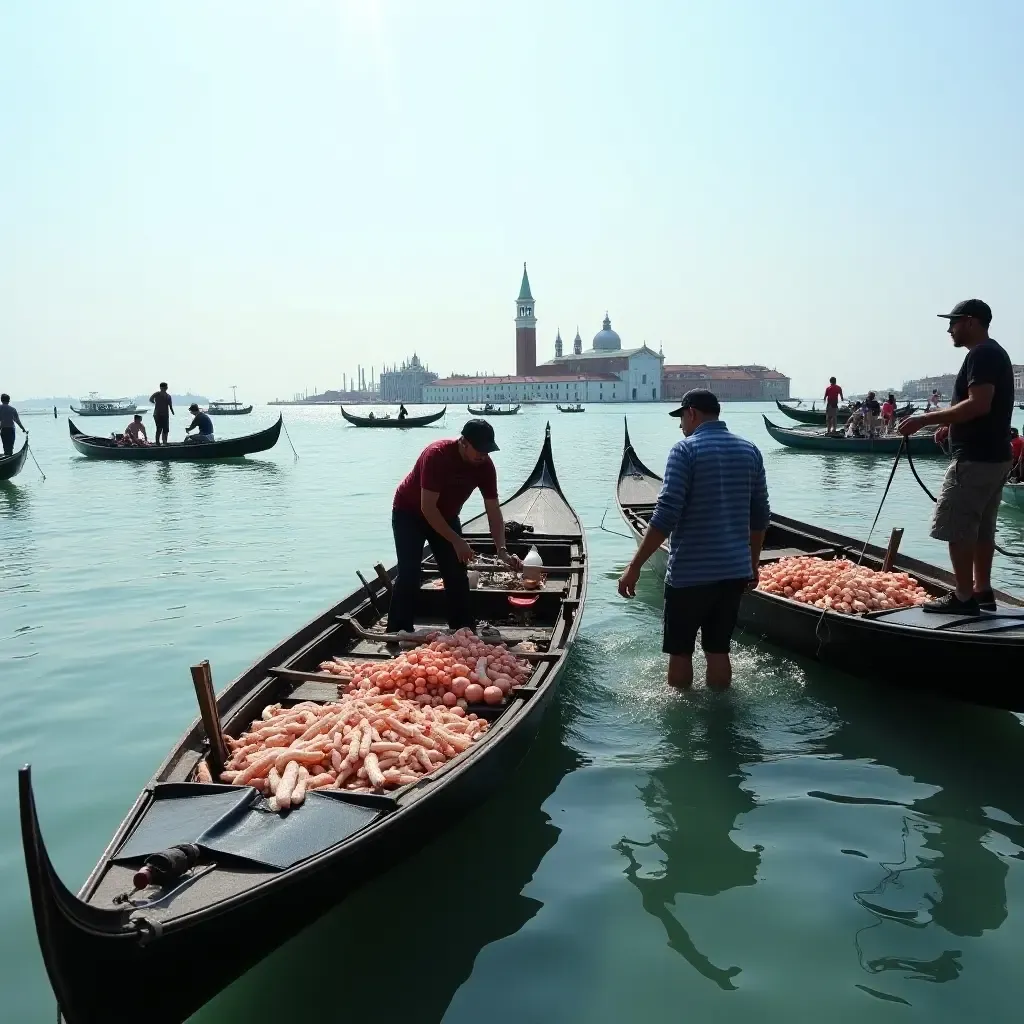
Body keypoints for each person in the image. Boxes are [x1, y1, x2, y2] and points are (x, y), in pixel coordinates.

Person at [617, 389, 770, 691]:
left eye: (681, 419)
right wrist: (752, 565)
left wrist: (634, 566)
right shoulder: (750, 450)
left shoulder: (684, 451)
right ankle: (720, 714)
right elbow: (760, 515)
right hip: (733, 572)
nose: (680, 427)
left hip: (690, 574)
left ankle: (681, 717)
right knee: (718, 650)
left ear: (692, 413)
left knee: (680, 651)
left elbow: (665, 515)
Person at [898, 299, 1014, 614]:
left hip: (976, 459)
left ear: (972, 322)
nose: (949, 328)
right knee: (982, 528)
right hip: (995, 455)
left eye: (954, 322)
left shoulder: (982, 354)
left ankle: (963, 598)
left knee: (958, 525)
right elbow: (982, 409)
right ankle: (982, 591)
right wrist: (950, 425)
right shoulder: (993, 353)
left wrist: (925, 419)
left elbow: (979, 404)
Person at [387, 419, 522, 634]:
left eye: (488, 451)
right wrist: (458, 541)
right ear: (463, 442)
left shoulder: (485, 466)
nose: (483, 456)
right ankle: (397, 631)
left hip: (447, 515)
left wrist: (502, 550)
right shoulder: (437, 455)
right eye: (479, 450)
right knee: (410, 571)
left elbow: (493, 511)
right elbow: (428, 509)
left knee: (456, 572)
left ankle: (463, 629)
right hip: (409, 513)